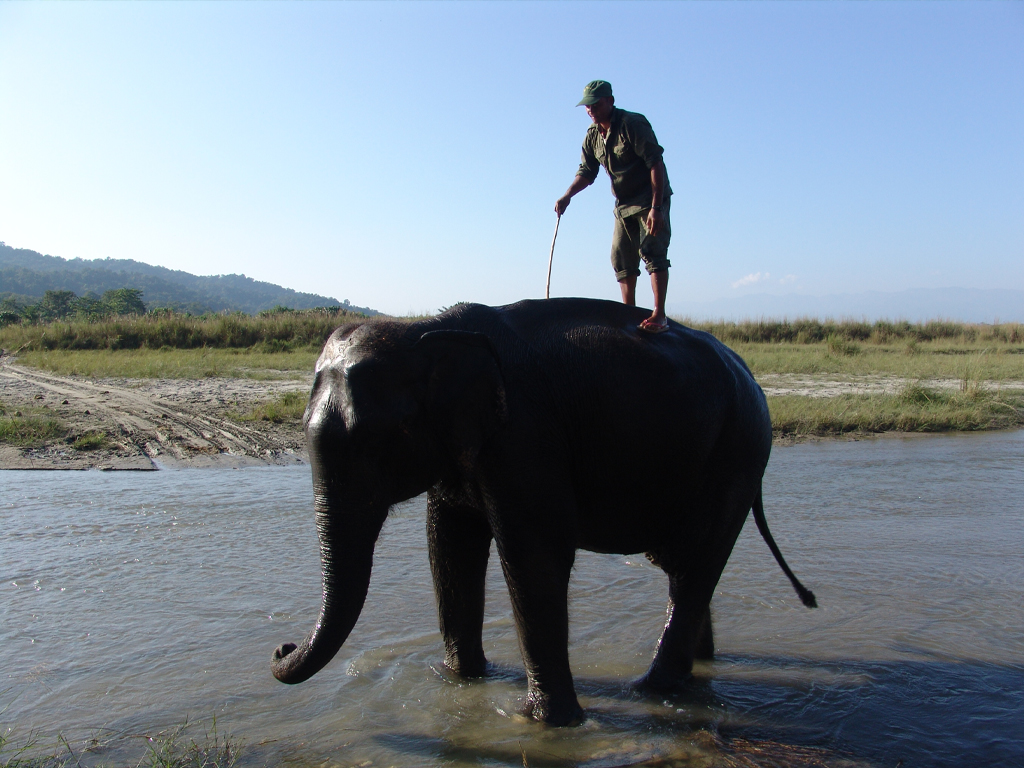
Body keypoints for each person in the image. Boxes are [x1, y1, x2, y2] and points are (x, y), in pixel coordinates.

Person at [555, 80, 673, 333]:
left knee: (652, 251)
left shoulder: (633, 124)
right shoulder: (592, 136)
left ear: (610, 101)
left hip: (649, 198)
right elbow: (587, 171)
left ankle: (659, 314)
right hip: (623, 203)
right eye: (587, 106)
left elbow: (655, 163)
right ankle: (628, 313)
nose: (591, 110)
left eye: (596, 104)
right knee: (620, 258)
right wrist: (567, 196)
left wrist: (656, 207)